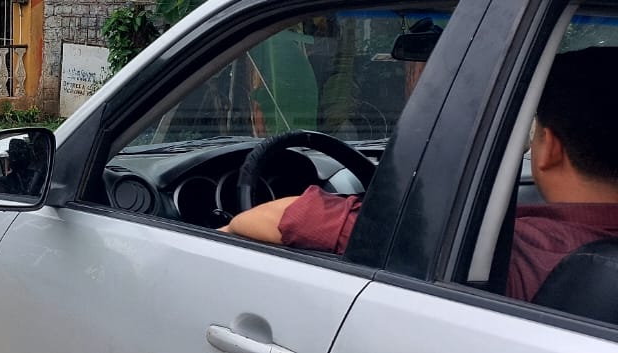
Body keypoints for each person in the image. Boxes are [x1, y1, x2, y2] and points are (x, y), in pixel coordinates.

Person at [223, 47, 618, 302]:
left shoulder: (516, 250)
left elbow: (275, 219)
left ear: (549, 147)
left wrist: (221, 231)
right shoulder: (563, 244)